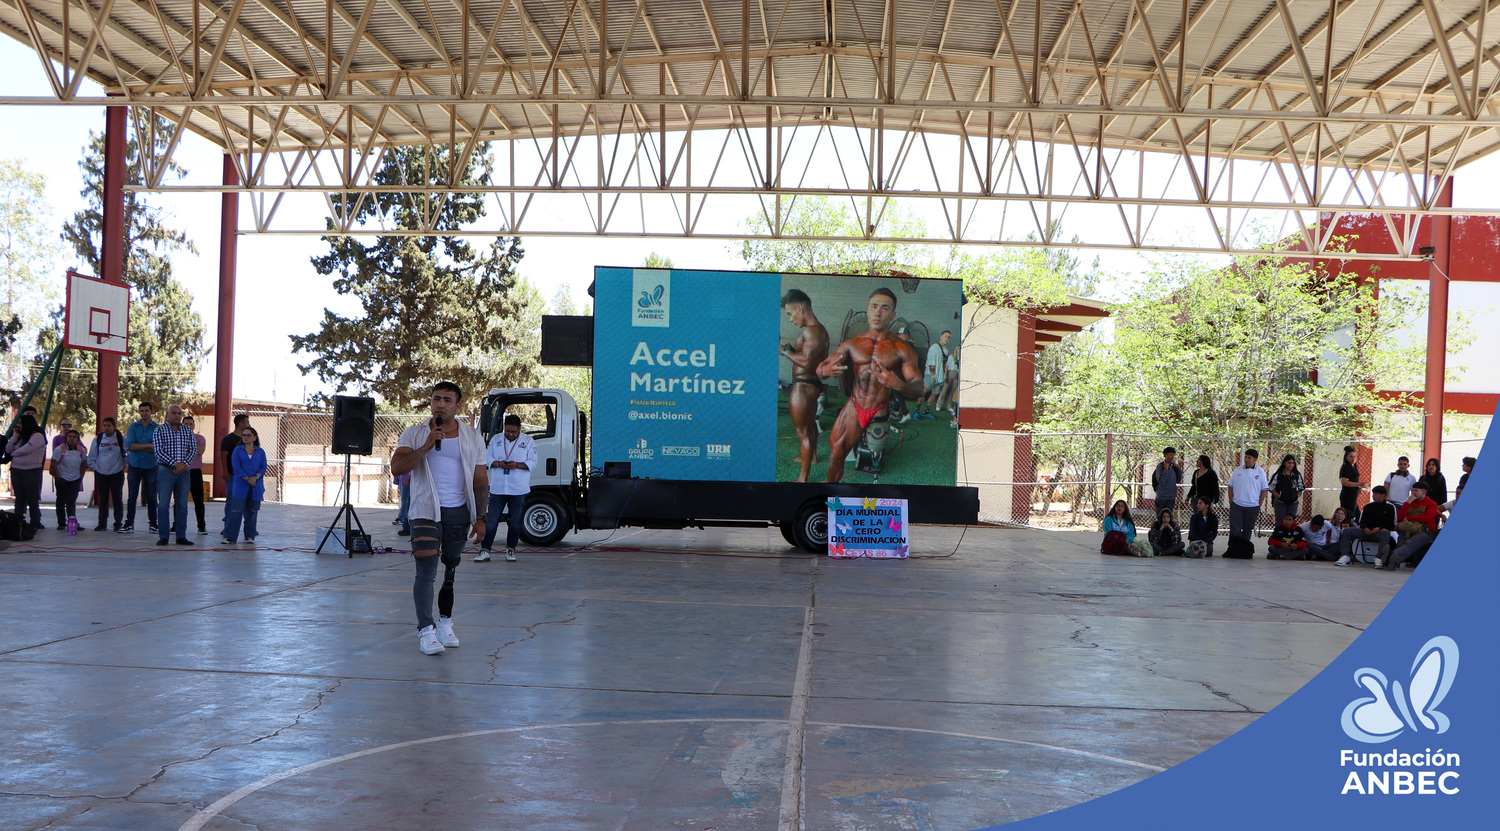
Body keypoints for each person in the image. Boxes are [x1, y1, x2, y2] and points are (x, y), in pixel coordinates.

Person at [391, 382, 487, 656]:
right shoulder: (415, 433)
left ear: (458, 405)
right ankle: (426, 630)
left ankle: (445, 622)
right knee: (425, 570)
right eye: (436, 399)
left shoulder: (472, 436)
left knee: (450, 568)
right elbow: (397, 468)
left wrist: (481, 518)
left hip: (458, 511)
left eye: (447, 400)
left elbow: (480, 479)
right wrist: (426, 445)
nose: (440, 404)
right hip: (425, 509)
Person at [815, 288, 923, 483]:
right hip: (855, 405)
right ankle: (831, 492)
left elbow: (918, 388)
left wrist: (898, 384)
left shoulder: (902, 349)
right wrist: (824, 371)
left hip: (879, 408)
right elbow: (821, 368)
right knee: (836, 453)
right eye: (874, 306)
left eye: (884, 308)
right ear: (867, 310)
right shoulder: (852, 343)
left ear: (893, 314)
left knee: (874, 461)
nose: (878, 312)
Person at [779, 289, 830, 482]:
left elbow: (807, 362)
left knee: (803, 432)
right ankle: (812, 457)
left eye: (790, 313)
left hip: (803, 386)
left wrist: (785, 352)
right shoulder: (819, 330)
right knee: (809, 426)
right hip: (811, 384)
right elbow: (808, 356)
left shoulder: (811, 331)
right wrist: (792, 350)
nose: (790, 319)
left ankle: (803, 478)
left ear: (800, 308)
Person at [476, 413, 537, 563]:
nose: (510, 434)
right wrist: (498, 464)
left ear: (520, 429)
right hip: (498, 488)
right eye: (508, 431)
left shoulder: (528, 441)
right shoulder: (496, 439)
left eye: (513, 432)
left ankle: (511, 549)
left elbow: (533, 462)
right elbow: (487, 458)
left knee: (515, 521)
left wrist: (517, 465)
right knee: (491, 520)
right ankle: (485, 550)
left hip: (518, 489)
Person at [153, 404, 197, 546]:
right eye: (174, 413)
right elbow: (158, 451)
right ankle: (164, 537)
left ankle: (181, 536)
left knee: (182, 505)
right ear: (167, 414)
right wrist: (174, 464)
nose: (177, 416)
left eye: (179, 413)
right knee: (163, 505)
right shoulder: (160, 430)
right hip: (166, 471)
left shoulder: (187, 431)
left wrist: (183, 464)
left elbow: (193, 450)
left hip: (184, 472)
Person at [222, 426, 266, 544]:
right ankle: (230, 536)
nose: (246, 437)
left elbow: (263, 467)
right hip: (240, 484)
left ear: (254, 437)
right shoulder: (238, 450)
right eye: (244, 435)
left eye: (248, 435)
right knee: (236, 511)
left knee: (252, 511)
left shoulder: (260, 451)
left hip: (256, 485)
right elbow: (236, 467)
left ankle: (250, 536)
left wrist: (255, 478)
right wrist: (247, 478)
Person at [1386, 482, 1442, 570]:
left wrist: (1409, 518)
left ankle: (1393, 557)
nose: (1413, 493)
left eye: (1416, 490)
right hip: (1409, 528)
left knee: (1411, 542)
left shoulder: (1431, 504)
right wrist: (1407, 503)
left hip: (1425, 531)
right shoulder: (1410, 503)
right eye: (1412, 490)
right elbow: (1400, 517)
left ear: (1424, 492)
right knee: (1401, 541)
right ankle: (1392, 559)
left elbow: (1426, 518)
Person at [1336, 485, 1396, 566]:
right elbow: (1362, 522)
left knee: (1385, 532)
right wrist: (1365, 528)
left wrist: (1379, 528)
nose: (1373, 496)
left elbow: (1391, 524)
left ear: (1383, 495)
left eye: (1376, 494)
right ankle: (1345, 556)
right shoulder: (1368, 506)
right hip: (1365, 531)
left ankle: (1379, 557)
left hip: (1379, 532)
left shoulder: (1390, 507)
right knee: (1347, 531)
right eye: (1373, 494)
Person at [87, 416, 128, 531]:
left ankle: (118, 523)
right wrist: (95, 468)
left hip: (116, 473)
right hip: (101, 473)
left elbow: (129, 453)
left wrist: (123, 464)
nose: (106, 428)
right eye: (104, 425)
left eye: (109, 425)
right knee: (103, 499)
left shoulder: (121, 438)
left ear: (114, 427)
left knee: (117, 498)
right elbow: (92, 456)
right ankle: (102, 523)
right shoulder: (98, 439)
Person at [124, 402, 159, 533]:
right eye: (142, 411)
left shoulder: (157, 428)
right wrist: (149, 445)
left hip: (151, 465)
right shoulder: (133, 427)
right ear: (139, 412)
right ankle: (129, 523)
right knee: (132, 496)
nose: (144, 413)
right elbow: (130, 446)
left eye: (146, 410)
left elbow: (157, 448)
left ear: (151, 412)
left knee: (152, 497)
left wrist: (140, 446)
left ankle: (153, 523)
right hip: (135, 465)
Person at [8, 414, 47, 530]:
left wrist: (13, 454)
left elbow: (25, 450)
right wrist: (15, 435)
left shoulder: (38, 436)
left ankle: (35, 521)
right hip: (16, 469)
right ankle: (18, 520)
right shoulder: (20, 436)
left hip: (31, 470)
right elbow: (8, 449)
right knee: (19, 497)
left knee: (32, 497)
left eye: (21, 423)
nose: (19, 425)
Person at [1226, 449, 1269, 541]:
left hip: (1252, 506)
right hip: (1237, 504)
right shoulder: (1238, 470)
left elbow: (1264, 490)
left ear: (1255, 459)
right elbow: (1230, 486)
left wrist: (1259, 504)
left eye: (1249, 458)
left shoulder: (1260, 472)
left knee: (1248, 529)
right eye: (1245, 457)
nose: (1246, 459)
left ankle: (1244, 548)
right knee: (1235, 529)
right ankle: (1233, 547)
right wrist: (1231, 501)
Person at [51, 430, 89, 530]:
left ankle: (72, 522)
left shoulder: (81, 450)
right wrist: (59, 477)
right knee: (60, 501)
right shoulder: (59, 449)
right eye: (69, 436)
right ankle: (61, 523)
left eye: (74, 437)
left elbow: (84, 463)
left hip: (75, 479)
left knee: (71, 501)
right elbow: (53, 463)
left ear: (77, 439)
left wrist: (80, 477)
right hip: (62, 479)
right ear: (66, 438)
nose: (71, 438)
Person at [219, 413, 251, 527]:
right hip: (232, 475)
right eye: (247, 422)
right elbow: (223, 456)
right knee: (232, 499)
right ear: (241, 424)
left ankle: (249, 526)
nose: (249, 425)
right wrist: (225, 471)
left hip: (247, 476)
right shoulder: (228, 439)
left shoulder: (249, 439)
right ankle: (228, 525)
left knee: (248, 500)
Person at [915, 330, 952, 419]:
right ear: (941, 336)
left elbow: (944, 365)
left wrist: (943, 376)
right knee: (924, 392)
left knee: (934, 394)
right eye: (945, 336)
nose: (947, 338)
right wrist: (932, 376)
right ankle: (917, 412)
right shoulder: (934, 348)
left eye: (949, 337)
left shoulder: (946, 350)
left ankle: (926, 412)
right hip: (931, 375)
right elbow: (931, 363)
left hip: (940, 377)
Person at [182, 415, 209, 534]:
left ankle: (201, 526)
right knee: (180, 500)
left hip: (195, 472)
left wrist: (189, 438)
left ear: (194, 426)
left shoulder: (199, 438)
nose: (188, 426)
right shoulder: (177, 438)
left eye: (190, 424)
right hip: (182, 471)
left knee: (198, 500)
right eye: (186, 424)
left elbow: (200, 451)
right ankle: (177, 525)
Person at [1267, 454, 1304, 528]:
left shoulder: (1296, 475)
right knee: (1280, 522)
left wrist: (1296, 495)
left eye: (1292, 463)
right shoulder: (1279, 474)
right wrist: (1278, 495)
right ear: (1284, 463)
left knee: (1291, 522)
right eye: (1289, 463)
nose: (1291, 465)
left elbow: (1302, 487)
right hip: (1280, 502)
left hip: (1293, 503)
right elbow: (1271, 486)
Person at [1150, 447, 1183, 522]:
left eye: (1173, 455)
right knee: (1160, 517)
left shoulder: (1173, 466)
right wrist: (1165, 470)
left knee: (1169, 518)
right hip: (1161, 497)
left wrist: (1179, 470)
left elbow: (1178, 480)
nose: (1172, 457)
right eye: (1170, 454)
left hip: (1171, 497)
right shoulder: (1160, 466)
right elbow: (1161, 482)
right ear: (1165, 455)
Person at [1338, 445, 1363, 517]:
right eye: (1351, 457)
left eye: (1354, 456)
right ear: (1346, 457)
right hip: (1347, 496)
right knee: (1349, 515)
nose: (1353, 459)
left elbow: (1353, 480)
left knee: (1357, 515)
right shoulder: (1346, 467)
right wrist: (1359, 484)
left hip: (1353, 495)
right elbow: (1344, 482)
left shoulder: (1353, 467)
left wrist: (1358, 487)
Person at [392, 470, 412, 536]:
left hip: (408, 477)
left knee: (407, 502)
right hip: (404, 477)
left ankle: (406, 525)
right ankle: (405, 522)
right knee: (406, 501)